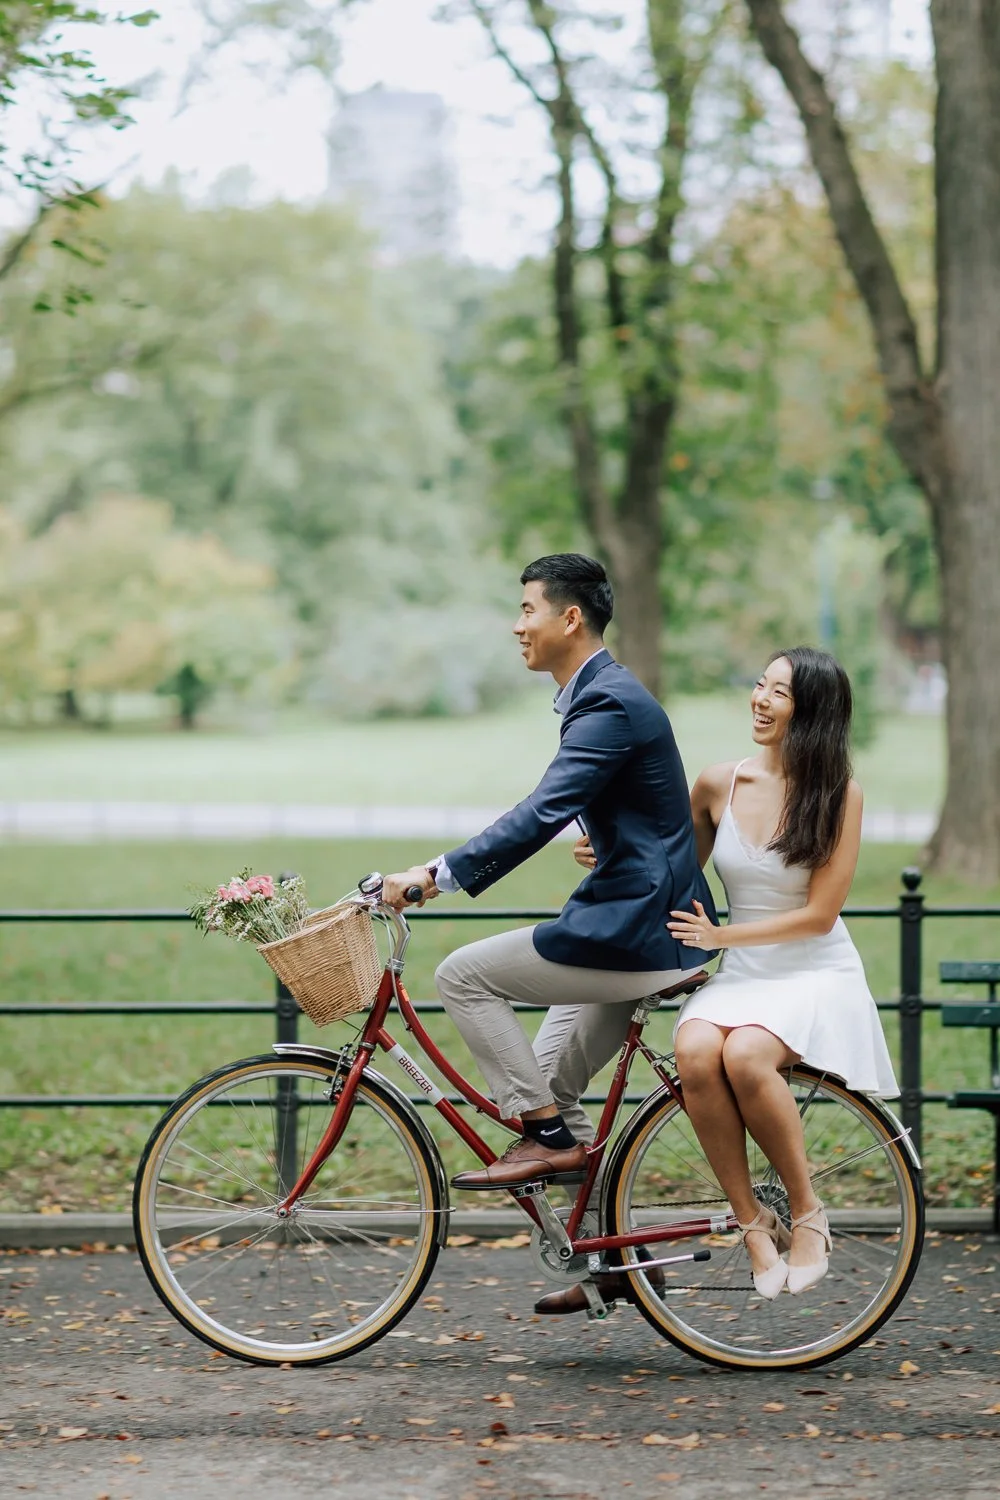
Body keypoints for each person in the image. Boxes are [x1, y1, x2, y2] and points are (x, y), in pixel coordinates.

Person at [382, 553, 717, 1204]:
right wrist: (616, 843)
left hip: (637, 932)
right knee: (548, 1088)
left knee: (462, 976)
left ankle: (549, 1142)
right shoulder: (600, 697)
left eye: (527, 609)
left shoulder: (608, 703)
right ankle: (607, 1262)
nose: (517, 625)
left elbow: (541, 812)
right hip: (646, 919)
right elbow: (650, 813)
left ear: (569, 619)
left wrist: (434, 874)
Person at [659, 646, 899, 1298]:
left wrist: (722, 934)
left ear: (812, 712)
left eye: (779, 693)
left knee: (746, 1057)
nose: (760, 700)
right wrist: (608, 848)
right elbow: (669, 865)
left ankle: (807, 1210)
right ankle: (753, 1225)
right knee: (696, 1047)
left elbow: (820, 916)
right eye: (759, 685)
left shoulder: (839, 796)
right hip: (745, 970)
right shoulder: (719, 783)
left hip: (812, 969)